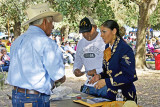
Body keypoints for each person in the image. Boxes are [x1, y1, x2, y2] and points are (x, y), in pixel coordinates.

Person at [7, 3, 66, 107]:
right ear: (44, 22)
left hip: (17, 95)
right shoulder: (47, 43)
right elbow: (58, 75)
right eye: (51, 22)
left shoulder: (17, 41)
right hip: (35, 98)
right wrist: (61, 78)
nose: (52, 26)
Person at [89, 20, 138, 102]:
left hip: (124, 96)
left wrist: (106, 82)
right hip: (110, 95)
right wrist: (100, 76)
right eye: (101, 32)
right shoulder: (107, 47)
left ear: (114, 31)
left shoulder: (124, 49)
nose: (101, 35)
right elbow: (108, 72)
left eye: (104, 32)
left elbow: (129, 76)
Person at [73, 17, 107, 97]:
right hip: (89, 85)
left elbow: (113, 65)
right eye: (83, 32)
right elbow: (78, 60)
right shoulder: (81, 43)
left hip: (103, 84)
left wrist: (97, 70)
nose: (85, 34)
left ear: (95, 27)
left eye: (88, 31)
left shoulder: (104, 40)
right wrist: (76, 69)